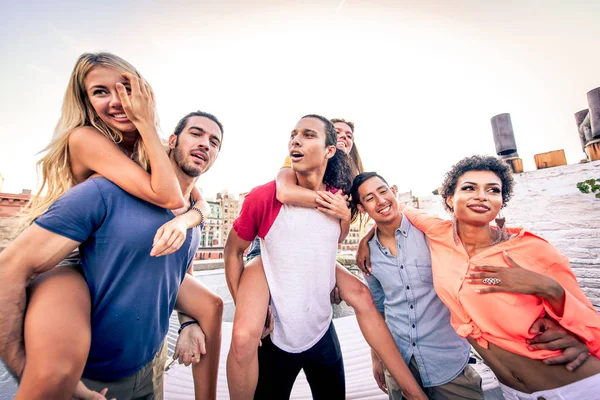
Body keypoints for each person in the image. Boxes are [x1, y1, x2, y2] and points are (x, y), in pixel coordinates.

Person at [0, 52, 222, 399]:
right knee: (52, 374)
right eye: (100, 92)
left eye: (125, 89)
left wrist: (188, 219)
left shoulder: (151, 152)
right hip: (71, 261)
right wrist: (147, 123)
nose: (118, 102)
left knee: (210, 305)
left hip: (125, 283)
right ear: (85, 102)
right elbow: (170, 196)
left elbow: (194, 199)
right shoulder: (87, 140)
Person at [361, 155, 600, 399]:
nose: (481, 196)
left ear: (501, 201)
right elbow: (392, 210)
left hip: (576, 386)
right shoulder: (439, 234)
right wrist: (365, 240)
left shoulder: (531, 249)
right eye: (469, 188)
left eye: (493, 190)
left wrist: (549, 288)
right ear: (450, 199)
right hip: (512, 391)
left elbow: (589, 320)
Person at [225, 115, 427, 400]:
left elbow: (338, 234)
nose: (296, 139)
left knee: (361, 294)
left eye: (308, 135)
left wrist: (359, 237)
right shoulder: (266, 195)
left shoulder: (341, 194)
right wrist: (244, 303)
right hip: (270, 269)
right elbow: (233, 251)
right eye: (294, 134)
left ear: (330, 150)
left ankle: (414, 392)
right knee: (244, 337)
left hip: (319, 326)